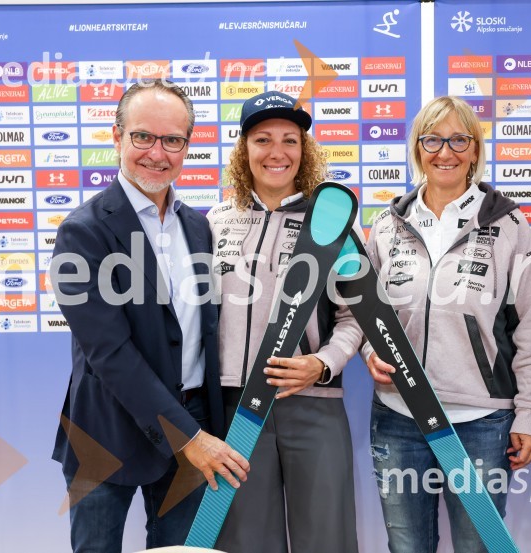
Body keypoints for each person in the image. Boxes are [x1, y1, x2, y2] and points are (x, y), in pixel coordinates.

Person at [50, 79, 249, 552]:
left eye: (173, 140)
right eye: (143, 136)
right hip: (105, 433)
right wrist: (188, 436)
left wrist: (201, 429)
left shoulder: (198, 226)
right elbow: (110, 352)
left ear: (187, 145)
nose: (157, 153)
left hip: (194, 423)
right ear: (117, 136)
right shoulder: (82, 233)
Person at [363, 95, 531, 552]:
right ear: (417, 147)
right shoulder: (387, 224)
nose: (445, 152)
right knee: (407, 546)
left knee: (478, 546)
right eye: (432, 139)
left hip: (481, 421)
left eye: (458, 139)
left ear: (475, 149)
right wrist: (371, 352)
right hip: (398, 414)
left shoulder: (508, 224)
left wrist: (529, 414)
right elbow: (366, 310)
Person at [207, 90, 362, 553]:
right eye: (262, 139)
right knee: (246, 541)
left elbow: (359, 315)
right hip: (235, 406)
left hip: (312, 402)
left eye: (290, 140)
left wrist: (324, 362)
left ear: (304, 150)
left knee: (327, 540)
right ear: (244, 150)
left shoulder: (333, 226)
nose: (277, 152)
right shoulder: (214, 223)